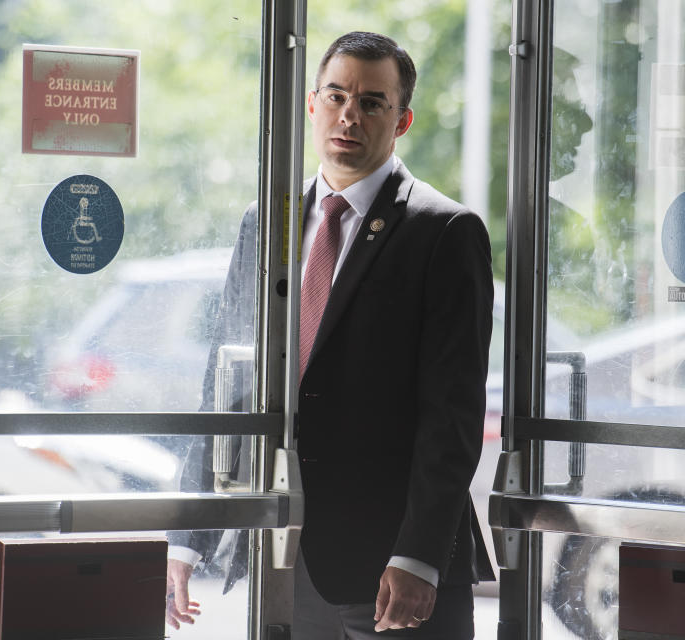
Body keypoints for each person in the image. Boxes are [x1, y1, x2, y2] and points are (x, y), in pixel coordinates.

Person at [166, 31, 494, 639]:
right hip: (288, 556)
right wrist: (188, 535)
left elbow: (453, 413)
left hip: (397, 569)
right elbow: (225, 378)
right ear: (313, 104)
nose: (350, 115)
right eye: (337, 95)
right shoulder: (269, 221)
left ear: (402, 121)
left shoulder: (444, 231)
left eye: (372, 102)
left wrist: (418, 556)